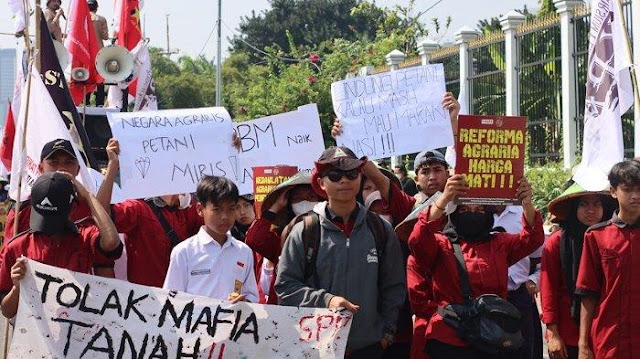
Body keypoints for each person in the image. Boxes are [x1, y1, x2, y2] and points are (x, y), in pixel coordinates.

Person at [276, 146, 406, 358]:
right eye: (335, 175)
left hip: (369, 347)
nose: (344, 180)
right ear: (321, 183)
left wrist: (386, 334)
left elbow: (394, 286)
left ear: (360, 177)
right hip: (315, 347)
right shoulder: (304, 230)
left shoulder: (380, 230)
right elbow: (286, 288)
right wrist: (327, 300)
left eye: (351, 174)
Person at [408, 174, 544, 359]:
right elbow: (417, 239)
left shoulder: (500, 243)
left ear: (488, 215)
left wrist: (526, 203)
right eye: (464, 210)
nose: (472, 214)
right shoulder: (441, 245)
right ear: (454, 215)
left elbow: (533, 238)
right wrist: (445, 198)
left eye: (480, 209)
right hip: (450, 339)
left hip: (494, 337)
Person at [0, 172, 122, 318]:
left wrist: (88, 196)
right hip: (33, 337)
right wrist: (17, 288)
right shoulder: (17, 247)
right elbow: (7, 312)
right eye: (44, 217)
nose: (49, 231)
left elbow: (112, 241)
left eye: (55, 220)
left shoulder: (84, 238)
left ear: (72, 210)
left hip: (79, 333)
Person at [97, 138, 202, 287]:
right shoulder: (138, 209)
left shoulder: (191, 210)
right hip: (148, 302)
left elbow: (225, 214)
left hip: (184, 300)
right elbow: (100, 215)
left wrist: (234, 153)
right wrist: (113, 165)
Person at [4, 139, 116, 277]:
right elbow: (8, 260)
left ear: (78, 168)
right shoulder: (22, 209)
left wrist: (112, 165)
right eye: (53, 162)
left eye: (68, 162)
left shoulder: (90, 206)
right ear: (40, 167)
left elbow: (106, 254)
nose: (61, 168)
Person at [540, 183, 615, 359]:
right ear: (574, 208)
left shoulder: (611, 239)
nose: (591, 210)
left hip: (605, 331)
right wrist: (553, 333)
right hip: (567, 332)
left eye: (597, 204)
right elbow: (548, 289)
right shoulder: (557, 242)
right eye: (584, 204)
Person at [576, 160, 640, 359]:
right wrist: (583, 345)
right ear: (613, 191)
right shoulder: (596, 236)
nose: (636, 196)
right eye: (628, 190)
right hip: (609, 338)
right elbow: (588, 292)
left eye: (639, 189)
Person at [163, 176, 258, 303]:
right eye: (217, 209)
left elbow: (252, 296)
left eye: (231, 208)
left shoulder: (244, 251)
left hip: (233, 322)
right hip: (193, 322)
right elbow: (171, 300)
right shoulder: (184, 252)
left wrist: (244, 303)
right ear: (200, 209)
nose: (224, 216)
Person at [244, 171, 323, 304]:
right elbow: (254, 240)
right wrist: (275, 207)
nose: (304, 202)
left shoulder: (331, 233)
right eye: (297, 198)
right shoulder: (281, 238)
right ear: (288, 205)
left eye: (310, 197)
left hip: (320, 305)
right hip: (286, 309)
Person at [87, 0, 108, 106]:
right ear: (96, 8)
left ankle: (86, 101)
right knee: (100, 78)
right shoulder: (101, 19)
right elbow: (105, 36)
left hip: (85, 51)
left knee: (86, 76)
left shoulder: (83, 18)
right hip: (99, 52)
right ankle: (99, 103)